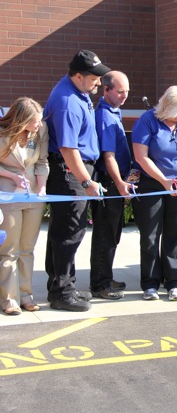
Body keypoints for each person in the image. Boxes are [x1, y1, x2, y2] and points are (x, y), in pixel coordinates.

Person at [44, 50, 110, 312]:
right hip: (71, 172)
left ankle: (65, 286)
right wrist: (86, 182)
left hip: (76, 169)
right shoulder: (67, 101)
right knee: (68, 233)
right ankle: (61, 292)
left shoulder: (78, 93)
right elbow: (68, 149)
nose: (99, 82)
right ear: (78, 75)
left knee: (69, 231)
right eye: (94, 77)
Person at [131, 86, 177, 301]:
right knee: (150, 235)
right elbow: (141, 157)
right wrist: (163, 180)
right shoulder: (147, 120)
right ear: (169, 107)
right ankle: (150, 284)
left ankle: (175, 282)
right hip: (151, 184)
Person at [0, 98, 48, 315]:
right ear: (22, 120)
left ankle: (26, 295)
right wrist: (12, 176)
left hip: (33, 197)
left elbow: (42, 162)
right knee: (9, 249)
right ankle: (9, 299)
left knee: (27, 248)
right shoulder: (2, 133)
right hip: (9, 195)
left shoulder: (41, 131)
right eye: (35, 121)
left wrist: (42, 188)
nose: (38, 125)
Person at [89, 71, 131, 300]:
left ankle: (106, 275)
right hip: (109, 182)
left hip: (117, 182)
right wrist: (120, 183)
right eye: (120, 91)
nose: (124, 96)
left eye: (127, 91)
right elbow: (108, 156)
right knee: (105, 235)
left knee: (113, 233)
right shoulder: (104, 116)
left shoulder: (115, 109)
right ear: (106, 90)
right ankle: (100, 284)